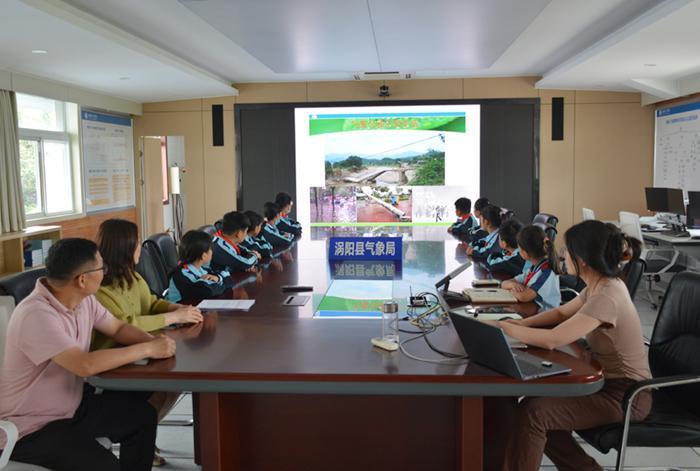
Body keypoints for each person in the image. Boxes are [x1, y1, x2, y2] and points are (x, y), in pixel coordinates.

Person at [484, 220, 651, 470]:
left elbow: (554, 339)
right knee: (536, 407)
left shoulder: (606, 295)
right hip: (608, 383)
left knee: (536, 413)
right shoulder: (599, 285)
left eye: (566, 252)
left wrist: (509, 328)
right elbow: (561, 314)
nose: (562, 257)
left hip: (626, 396)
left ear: (581, 258)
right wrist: (522, 324)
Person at [0, 238, 175, 471]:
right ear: (82, 279)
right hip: (30, 427)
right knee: (105, 466)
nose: (105, 272)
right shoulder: (36, 314)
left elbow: (118, 328)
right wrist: (148, 349)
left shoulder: (84, 300)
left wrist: (155, 342)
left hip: (70, 408)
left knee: (142, 418)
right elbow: (84, 365)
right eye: (101, 268)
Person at [92, 219, 203, 351]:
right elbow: (125, 325)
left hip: (144, 344)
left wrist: (178, 308)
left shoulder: (132, 276)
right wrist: (174, 317)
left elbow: (151, 304)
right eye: (137, 242)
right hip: (115, 353)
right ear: (124, 248)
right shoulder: (97, 289)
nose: (140, 247)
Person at [501, 224, 561, 311]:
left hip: (546, 319)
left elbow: (524, 296)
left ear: (525, 253)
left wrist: (511, 291)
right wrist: (513, 285)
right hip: (531, 310)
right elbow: (504, 284)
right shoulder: (533, 268)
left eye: (519, 247)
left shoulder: (546, 273)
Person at [167, 230, 234, 303]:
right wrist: (220, 283)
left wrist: (218, 278)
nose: (212, 252)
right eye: (210, 249)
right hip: (177, 311)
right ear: (204, 256)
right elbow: (207, 291)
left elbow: (229, 279)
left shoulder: (201, 269)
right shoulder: (181, 275)